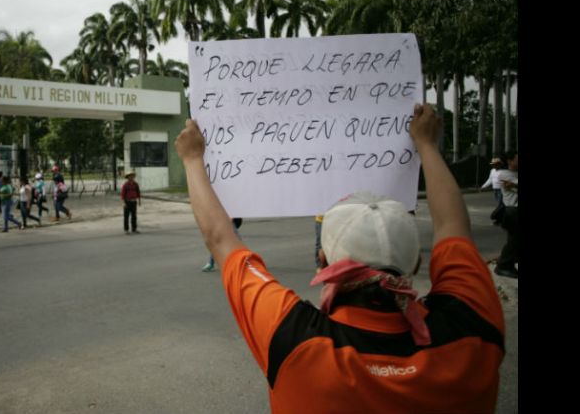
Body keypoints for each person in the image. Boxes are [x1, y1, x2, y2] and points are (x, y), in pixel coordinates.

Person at [174, 104, 504, 413]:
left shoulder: (295, 339)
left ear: (324, 261)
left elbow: (219, 238)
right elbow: (453, 225)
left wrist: (192, 159)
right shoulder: (472, 326)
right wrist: (428, 146)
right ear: (416, 263)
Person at [494, 151, 518, 279]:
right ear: (509, 161)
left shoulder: (514, 174)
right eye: (517, 159)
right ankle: (503, 266)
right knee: (514, 239)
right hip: (512, 211)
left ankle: (508, 263)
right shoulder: (503, 174)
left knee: (514, 240)